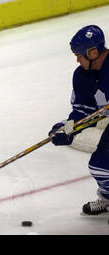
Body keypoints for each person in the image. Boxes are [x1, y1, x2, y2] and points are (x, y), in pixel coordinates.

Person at [48, 25, 109, 215]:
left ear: (92, 53)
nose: (77, 59)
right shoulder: (82, 76)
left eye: (79, 54)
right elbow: (83, 110)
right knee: (99, 166)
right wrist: (68, 129)